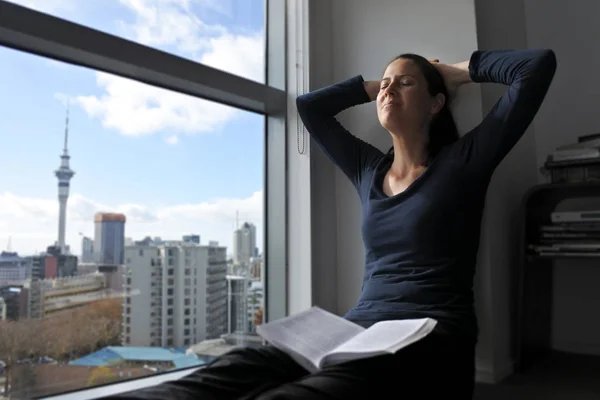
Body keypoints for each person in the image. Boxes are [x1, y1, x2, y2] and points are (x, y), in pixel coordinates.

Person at [102, 49, 556, 399]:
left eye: (406, 84)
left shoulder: (463, 163)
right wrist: (385, 82)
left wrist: (452, 71)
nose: (388, 89)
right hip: (355, 330)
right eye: (385, 83)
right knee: (233, 370)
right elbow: (310, 108)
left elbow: (535, 67)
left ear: (437, 103)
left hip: (434, 336)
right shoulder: (369, 171)